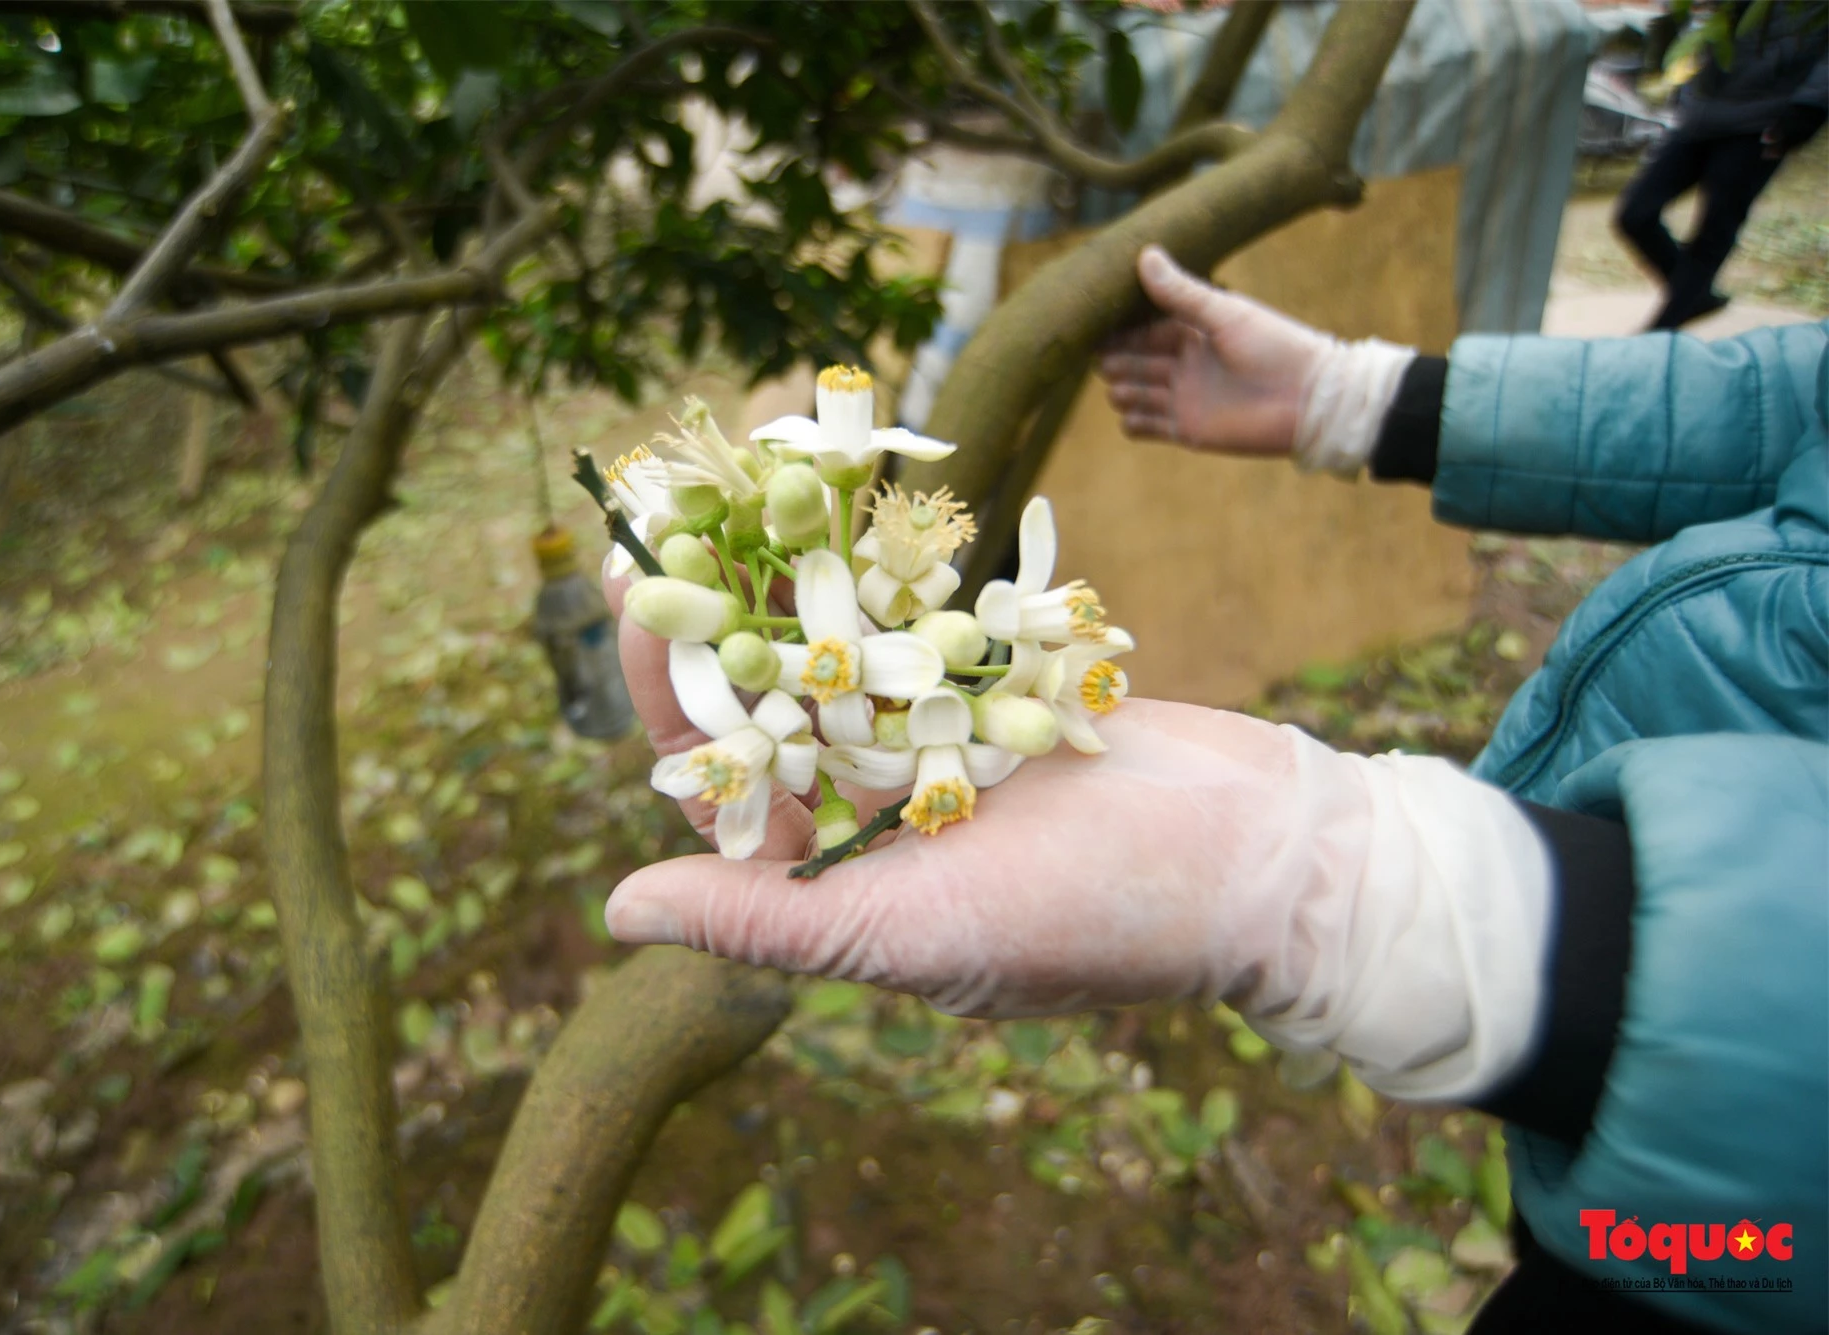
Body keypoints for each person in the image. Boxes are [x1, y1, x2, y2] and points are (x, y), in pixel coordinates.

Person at [601, 248, 1828, 1334]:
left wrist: (1392, 908)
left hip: (1754, 1198)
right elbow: (1800, 403)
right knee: (1607, 1244)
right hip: (1674, 1154)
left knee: (1689, 1263)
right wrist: (1376, 404)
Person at [1615, 0, 1826, 329]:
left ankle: (1659, 335)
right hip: (1702, 114)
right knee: (1636, 214)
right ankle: (1694, 297)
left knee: (1715, 229)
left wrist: (1809, 107)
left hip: (1762, 122)